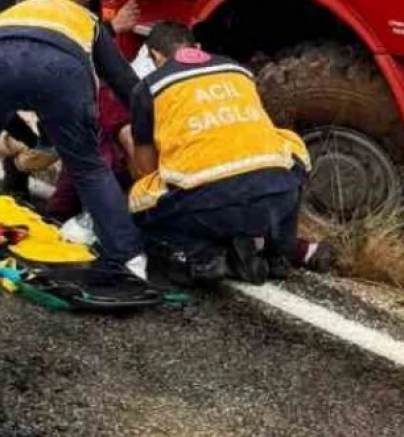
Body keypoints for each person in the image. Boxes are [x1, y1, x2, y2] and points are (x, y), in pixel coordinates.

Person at [0, 0, 147, 279]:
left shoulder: (11, 13)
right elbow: (128, 86)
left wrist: (25, 137)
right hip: (61, 69)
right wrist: (148, 127)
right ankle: (129, 259)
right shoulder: (87, 19)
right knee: (88, 166)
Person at [127, 22, 327, 285]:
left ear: (155, 56)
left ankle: (201, 256)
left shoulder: (148, 89)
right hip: (278, 196)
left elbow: (146, 167)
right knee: (288, 147)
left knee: (139, 198)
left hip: (210, 207)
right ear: (197, 48)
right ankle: (280, 250)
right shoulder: (239, 71)